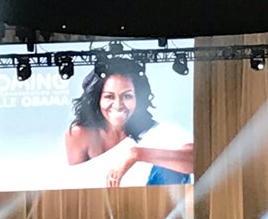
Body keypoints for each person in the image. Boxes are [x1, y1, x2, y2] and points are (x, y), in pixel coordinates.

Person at [64, 56, 193, 187]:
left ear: (139, 99)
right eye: (109, 96)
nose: (118, 105)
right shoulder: (80, 134)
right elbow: (73, 187)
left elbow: (194, 160)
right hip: (95, 205)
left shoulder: (155, 132)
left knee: (173, 167)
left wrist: (136, 154)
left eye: (127, 96)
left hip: (152, 204)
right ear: (97, 99)